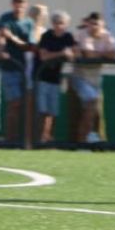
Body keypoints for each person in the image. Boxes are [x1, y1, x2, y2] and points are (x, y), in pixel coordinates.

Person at [69, 12, 115, 144]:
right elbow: (88, 54)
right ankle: (83, 139)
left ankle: (88, 138)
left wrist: (98, 55)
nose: (93, 27)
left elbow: (114, 54)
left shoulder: (107, 36)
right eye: (91, 23)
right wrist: (103, 55)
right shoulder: (82, 34)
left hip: (96, 79)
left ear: (102, 24)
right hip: (80, 78)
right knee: (91, 104)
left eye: (96, 24)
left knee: (94, 111)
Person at [0, 0, 36, 143]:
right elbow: (1, 37)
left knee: (25, 105)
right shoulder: (5, 19)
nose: (19, 4)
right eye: (16, 1)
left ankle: (22, 139)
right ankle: (10, 139)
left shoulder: (29, 23)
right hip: (9, 67)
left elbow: (29, 46)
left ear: (26, 4)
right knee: (14, 103)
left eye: (22, 1)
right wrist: (1, 51)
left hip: (25, 69)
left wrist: (12, 37)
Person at [34, 11, 77, 144]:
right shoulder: (46, 36)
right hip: (42, 77)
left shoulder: (68, 37)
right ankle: (41, 139)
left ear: (66, 24)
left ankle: (49, 138)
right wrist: (61, 53)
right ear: (52, 24)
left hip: (57, 78)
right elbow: (43, 56)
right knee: (43, 111)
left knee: (53, 111)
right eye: (56, 23)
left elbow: (75, 53)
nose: (59, 26)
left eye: (62, 23)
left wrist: (70, 54)